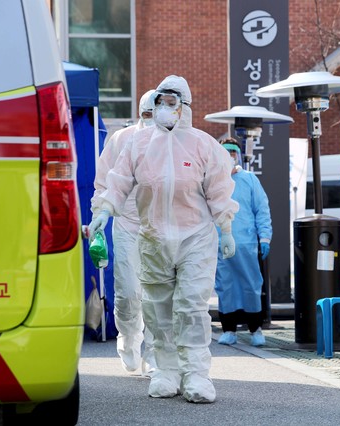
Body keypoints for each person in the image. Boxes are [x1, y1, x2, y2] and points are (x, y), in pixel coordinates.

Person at [88, 75, 238, 403]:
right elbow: (118, 179)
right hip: (152, 236)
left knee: (191, 306)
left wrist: (225, 227)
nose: (164, 108)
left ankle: (196, 373)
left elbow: (219, 188)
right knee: (157, 308)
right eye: (160, 102)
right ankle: (166, 370)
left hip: (195, 237)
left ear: (184, 107)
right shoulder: (137, 145)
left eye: (172, 102)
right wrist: (104, 210)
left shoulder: (203, 145)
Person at [90, 90, 157, 376]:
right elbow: (104, 180)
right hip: (127, 224)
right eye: (147, 114)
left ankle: (156, 354)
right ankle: (129, 339)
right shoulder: (121, 139)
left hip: (161, 227)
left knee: (158, 294)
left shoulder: (176, 142)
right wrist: (99, 216)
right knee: (129, 292)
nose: (152, 119)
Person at [215, 138, 272, 347]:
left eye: (233, 153)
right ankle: (229, 330)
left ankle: (256, 329)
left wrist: (264, 237)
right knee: (225, 286)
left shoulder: (249, 179)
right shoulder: (213, 180)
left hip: (246, 242)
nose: (229, 158)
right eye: (225, 153)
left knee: (251, 285)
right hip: (220, 243)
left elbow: (262, 209)